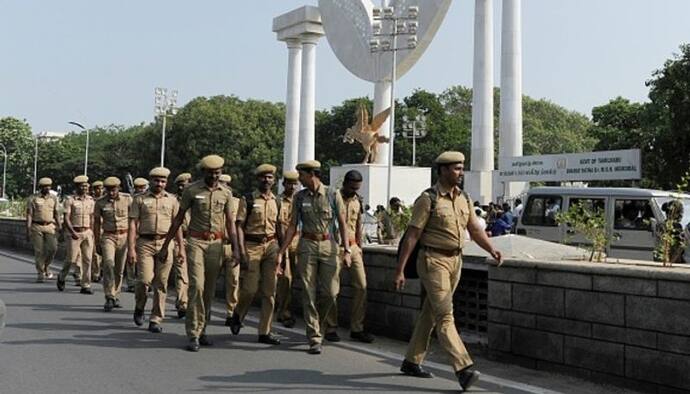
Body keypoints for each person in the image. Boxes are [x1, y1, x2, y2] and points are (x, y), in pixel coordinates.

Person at [393, 151, 503, 392]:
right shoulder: (428, 199)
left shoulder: (464, 198)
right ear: (442, 170)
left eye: (462, 168)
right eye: (456, 168)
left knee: (431, 312)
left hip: (456, 261)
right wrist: (400, 269)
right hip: (433, 260)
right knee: (445, 315)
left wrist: (491, 249)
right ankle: (463, 369)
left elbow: (474, 230)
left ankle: (412, 361)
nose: (460, 172)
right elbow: (412, 236)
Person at [156, 154, 240, 352]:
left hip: (216, 243)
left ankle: (203, 330)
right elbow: (178, 220)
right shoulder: (192, 190)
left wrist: (236, 249)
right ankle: (193, 333)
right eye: (210, 173)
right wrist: (165, 245)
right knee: (197, 286)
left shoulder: (226, 193)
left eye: (217, 173)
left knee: (209, 290)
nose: (214, 176)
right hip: (195, 241)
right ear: (204, 172)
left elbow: (230, 223)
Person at [274, 160, 351, 355]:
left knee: (331, 292)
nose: (299, 179)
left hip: (329, 244)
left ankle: (318, 322)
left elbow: (342, 224)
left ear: (312, 174)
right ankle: (314, 336)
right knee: (308, 291)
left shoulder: (333, 194)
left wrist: (347, 249)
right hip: (307, 244)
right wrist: (282, 251)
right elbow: (292, 226)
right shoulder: (300, 198)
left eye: (302, 175)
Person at [229, 164, 281, 345]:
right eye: (263, 177)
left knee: (270, 292)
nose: (266, 180)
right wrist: (241, 250)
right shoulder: (249, 199)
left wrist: (282, 252)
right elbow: (239, 226)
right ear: (258, 179)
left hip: (272, 246)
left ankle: (264, 332)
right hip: (252, 246)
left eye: (269, 177)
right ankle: (238, 313)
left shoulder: (277, 201)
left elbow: (280, 228)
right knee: (249, 289)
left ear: (274, 180)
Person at [128, 167, 184, 332]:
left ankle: (156, 318)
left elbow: (177, 224)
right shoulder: (139, 199)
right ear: (150, 181)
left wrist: (180, 248)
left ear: (166, 182)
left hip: (165, 243)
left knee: (161, 282)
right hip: (145, 242)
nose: (159, 184)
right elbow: (132, 224)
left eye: (163, 181)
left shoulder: (172, 200)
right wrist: (131, 248)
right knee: (144, 280)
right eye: (156, 180)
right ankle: (139, 307)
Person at [323, 170, 374, 343]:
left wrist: (359, 247)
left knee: (361, 286)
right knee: (332, 290)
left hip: (353, 246)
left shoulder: (358, 200)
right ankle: (330, 327)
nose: (354, 190)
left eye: (357, 188)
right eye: (352, 187)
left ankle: (357, 328)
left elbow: (358, 224)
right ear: (345, 183)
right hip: (333, 246)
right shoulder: (331, 198)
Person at [94, 177, 132, 311]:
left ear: (119, 188)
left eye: (114, 189)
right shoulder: (100, 203)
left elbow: (134, 220)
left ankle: (115, 294)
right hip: (108, 236)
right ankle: (109, 296)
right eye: (109, 190)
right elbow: (97, 223)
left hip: (124, 236)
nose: (111, 192)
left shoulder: (127, 199)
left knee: (119, 269)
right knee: (109, 264)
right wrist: (97, 242)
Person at [58, 175, 95, 294]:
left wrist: (92, 232)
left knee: (88, 259)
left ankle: (86, 285)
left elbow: (92, 217)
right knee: (71, 259)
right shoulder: (70, 200)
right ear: (77, 187)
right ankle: (62, 276)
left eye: (86, 186)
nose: (85, 188)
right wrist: (72, 232)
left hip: (87, 232)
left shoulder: (90, 200)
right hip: (74, 232)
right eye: (82, 186)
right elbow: (67, 218)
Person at [275, 171, 300, 328]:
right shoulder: (278, 201)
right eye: (289, 183)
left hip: (299, 241)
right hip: (283, 241)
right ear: (284, 184)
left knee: (300, 278)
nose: (292, 186)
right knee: (286, 278)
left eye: (294, 183)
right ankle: (283, 311)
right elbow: (278, 224)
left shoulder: (301, 199)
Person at [217, 174, 241, 328]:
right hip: (215, 243)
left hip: (232, 245)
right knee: (209, 280)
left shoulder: (239, 203)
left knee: (234, 281)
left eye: (227, 183)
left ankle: (231, 312)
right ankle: (204, 311)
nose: (224, 186)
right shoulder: (215, 201)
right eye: (221, 183)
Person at [26, 177, 60, 283]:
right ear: (40, 187)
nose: (47, 188)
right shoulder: (33, 198)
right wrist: (28, 229)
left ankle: (46, 266)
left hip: (50, 226)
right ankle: (40, 273)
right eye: (45, 186)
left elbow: (56, 213)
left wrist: (60, 226)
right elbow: (29, 214)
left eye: (49, 186)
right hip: (37, 226)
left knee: (53, 248)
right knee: (39, 251)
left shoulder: (53, 198)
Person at [172, 172, 192, 318]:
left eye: (184, 185)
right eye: (179, 185)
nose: (181, 188)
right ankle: (182, 303)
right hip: (178, 239)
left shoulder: (196, 200)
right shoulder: (173, 201)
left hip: (196, 240)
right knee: (182, 273)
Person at [91, 180, 104, 282]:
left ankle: (101, 270)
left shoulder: (106, 200)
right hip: (93, 229)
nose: (99, 190)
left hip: (106, 229)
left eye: (101, 188)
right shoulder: (91, 201)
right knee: (95, 253)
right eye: (97, 188)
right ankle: (96, 273)